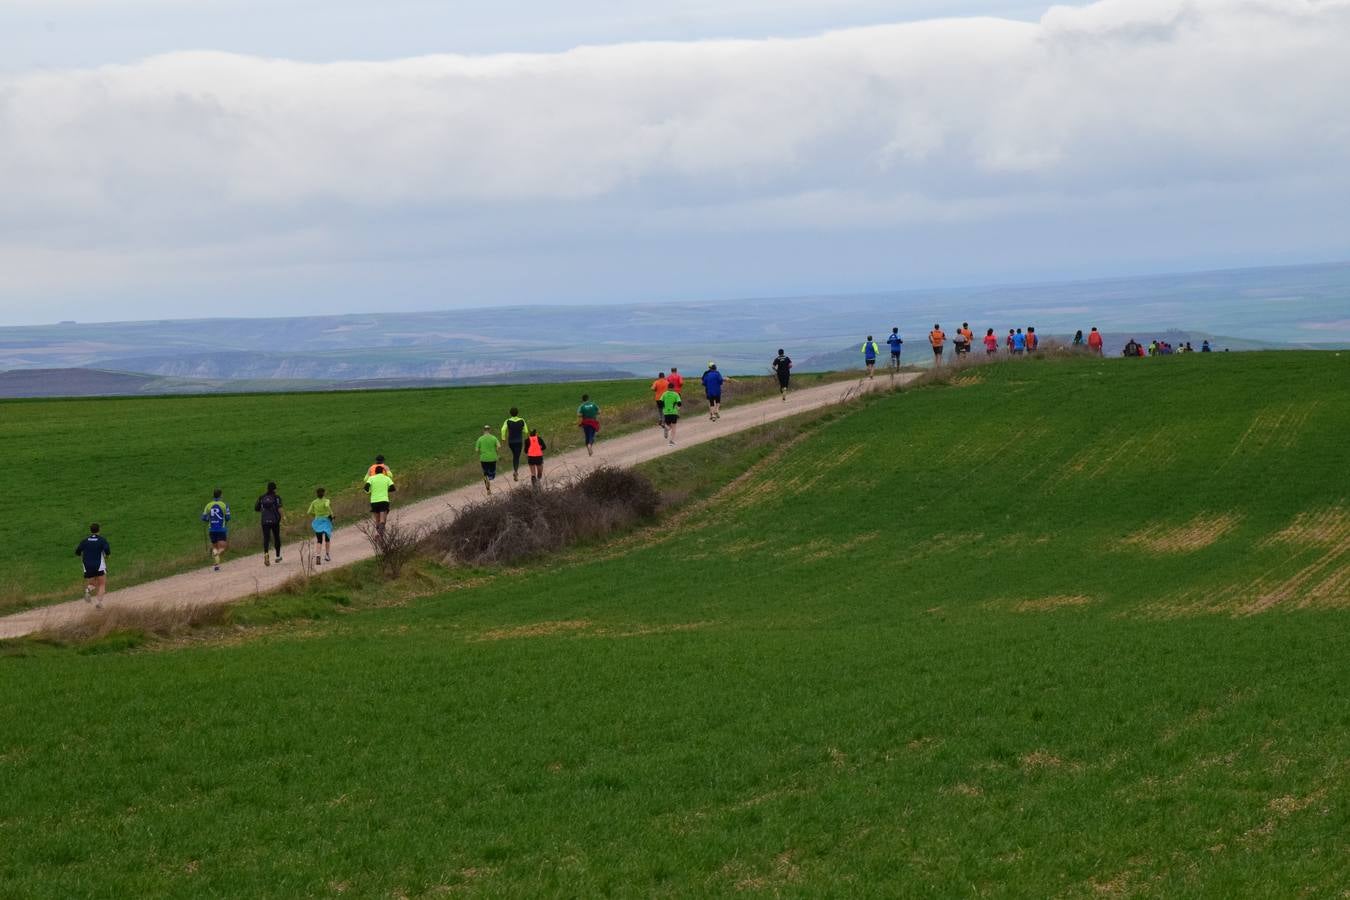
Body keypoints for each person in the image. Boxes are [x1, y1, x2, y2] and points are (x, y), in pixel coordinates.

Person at [75, 522, 111, 608]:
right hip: (99, 565)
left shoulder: (84, 541)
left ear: (91, 530)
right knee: (102, 584)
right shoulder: (102, 540)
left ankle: (87, 591)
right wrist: (108, 556)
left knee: (93, 584)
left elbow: (77, 552)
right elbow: (107, 550)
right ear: (99, 530)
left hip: (87, 566)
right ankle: (99, 603)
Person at [201, 488, 231, 572]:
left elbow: (204, 518)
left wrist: (209, 519)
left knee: (215, 547)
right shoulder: (224, 505)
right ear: (221, 495)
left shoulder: (208, 505)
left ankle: (216, 566)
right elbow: (228, 517)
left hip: (212, 529)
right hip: (221, 529)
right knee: (223, 547)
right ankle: (216, 555)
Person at [254, 482, 283, 566]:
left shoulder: (262, 497)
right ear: (274, 489)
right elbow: (280, 509)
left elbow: (256, 508)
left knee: (266, 538)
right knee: (276, 537)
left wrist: (264, 512)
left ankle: (266, 554)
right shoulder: (277, 497)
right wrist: (283, 518)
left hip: (264, 521)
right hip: (275, 520)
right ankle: (277, 556)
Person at [363, 465, 395, 536]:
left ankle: (380, 534)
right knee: (382, 520)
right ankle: (381, 533)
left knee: (377, 520)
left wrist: (369, 492)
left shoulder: (371, 478)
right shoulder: (386, 478)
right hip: (384, 501)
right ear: (382, 471)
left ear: (375, 471)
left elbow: (366, 487)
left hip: (374, 501)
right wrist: (386, 490)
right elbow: (393, 488)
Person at [501, 408, 528, 482]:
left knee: (514, 455)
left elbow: (503, 429)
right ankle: (515, 471)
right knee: (517, 457)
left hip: (511, 442)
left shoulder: (507, 421)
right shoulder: (522, 420)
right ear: (517, 413)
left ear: (510, 413)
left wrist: (503, 438)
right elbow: (526, 431)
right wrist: (520, 430)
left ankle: (515, 471)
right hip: (519, 441)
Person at [308, 487, 333, 564]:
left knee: (319, 540)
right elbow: (327, 506)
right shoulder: (326, 500)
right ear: (324, 493)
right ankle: (327, 555)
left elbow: (308, 512)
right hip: (326, 522)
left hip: (317, 522)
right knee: (327, 538)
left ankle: (318, 555)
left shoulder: (314, 502)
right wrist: (331, 514)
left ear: (317, 494)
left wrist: (315, 515)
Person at [475, 425, 501, 494]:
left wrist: (481, 453)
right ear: (489, 430)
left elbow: (477, 450)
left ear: (483, 430)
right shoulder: (494, 438)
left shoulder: (480, 439)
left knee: (485, 473)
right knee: (492, 473)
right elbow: (498, 446)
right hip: (493, 458)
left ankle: (488, 489)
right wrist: (496, 451)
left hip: (483, 458)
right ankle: (490, 478)